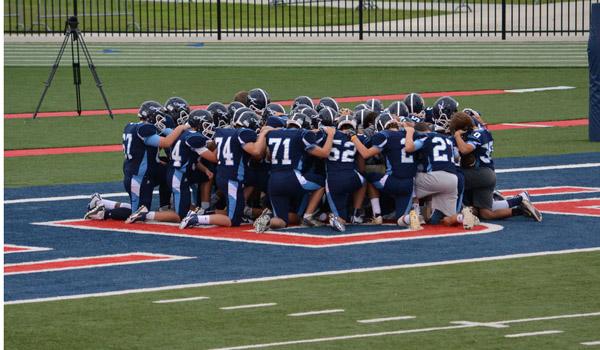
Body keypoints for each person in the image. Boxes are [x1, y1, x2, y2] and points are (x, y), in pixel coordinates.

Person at [84, 101, 188, 221]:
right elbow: (166, 142)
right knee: (140, 213)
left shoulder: (131, 126)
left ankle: (164, 207)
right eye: (160, 116)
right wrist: (180, 128)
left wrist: (157, 160)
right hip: (138, 177)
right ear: (152, 116)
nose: (162, 119)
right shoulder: (144, 129)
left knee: (168, 171)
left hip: (141, 171)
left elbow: (142, 150)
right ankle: (104, 212)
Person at [180, 111, 273, 228]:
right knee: (232, 220)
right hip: (232, 180)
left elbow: (215, 156)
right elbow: (256, 151)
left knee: (252, 179)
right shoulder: (242, 134)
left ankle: (235, 208)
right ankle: (197, 218)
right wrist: (263, 135)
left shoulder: (222, 132)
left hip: (225, 176)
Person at [125, 109, 218, 224]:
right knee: (180, 216)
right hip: (178, 177)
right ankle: (146, 214)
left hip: (175, 173)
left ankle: (198, 209)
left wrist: (205, 169)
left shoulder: (181, 134)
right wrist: (221, 142)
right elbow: (214, 158)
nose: (210, 128)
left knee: (185, 207)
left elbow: (189, 157)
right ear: (199, 125)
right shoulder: (193, 137)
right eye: (207, 125)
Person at [450, 112, 542, 222]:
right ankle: (521, 207)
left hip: (480, 174)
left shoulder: (477, 134)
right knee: (486, 214)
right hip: (487, 174)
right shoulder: (482, 131)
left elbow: (464, 149)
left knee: (453, 177)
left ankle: (455, 210)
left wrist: (456, 136)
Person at [253, 113, 337, 232]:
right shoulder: (302, 134)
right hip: (292, 177)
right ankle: (308, 216)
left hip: (273, 181)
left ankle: (268, 218)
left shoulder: (273, 133)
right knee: (322, 183)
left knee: (281, 221)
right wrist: (330, 135)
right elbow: (324, 153)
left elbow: (268, 155)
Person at [351, 113, 420, 228]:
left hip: (392, 181)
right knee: (400, 221)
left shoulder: (385, 135)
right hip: (409, 184)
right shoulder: (410, 134)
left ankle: (377, 215)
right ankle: (413, 216)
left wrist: (353, 138)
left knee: (367, 177)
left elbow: (365, 153)